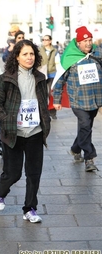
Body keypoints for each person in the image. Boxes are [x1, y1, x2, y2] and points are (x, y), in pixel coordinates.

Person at [0, 39, 51, 223]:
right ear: (16, 57)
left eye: (32, 54)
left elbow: (42, 102)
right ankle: (0, 191)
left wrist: (44, 119)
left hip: (35, 131)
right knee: (13, 173)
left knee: (34, 173)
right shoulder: (5, 78)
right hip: (13, 132)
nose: (29, 57)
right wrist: (6, 119)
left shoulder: (40, 77)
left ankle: (30, 208)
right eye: (25, 54)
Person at [52, 26, 102, 172]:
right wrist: (56, 99)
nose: (88, 43)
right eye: (85, 41)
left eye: (90, 40)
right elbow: (60, 79)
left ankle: (75, 148)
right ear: (78, 43)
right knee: (85, 124)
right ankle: (89, 158)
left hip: (95, 98)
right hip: (78, 99)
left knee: (85, 127)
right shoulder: (69, 56)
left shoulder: (98, 52)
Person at [39, 35, 58, 119]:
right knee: (43, 93)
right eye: (43, 40)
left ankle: (52, 112)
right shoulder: (39, 50)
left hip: (52, 74)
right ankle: (44, 112)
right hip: (42, 74)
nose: (44, 41)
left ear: (50, 41)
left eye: (46, 40)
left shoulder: (55, 51)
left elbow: (57, 62)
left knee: (51, 94)